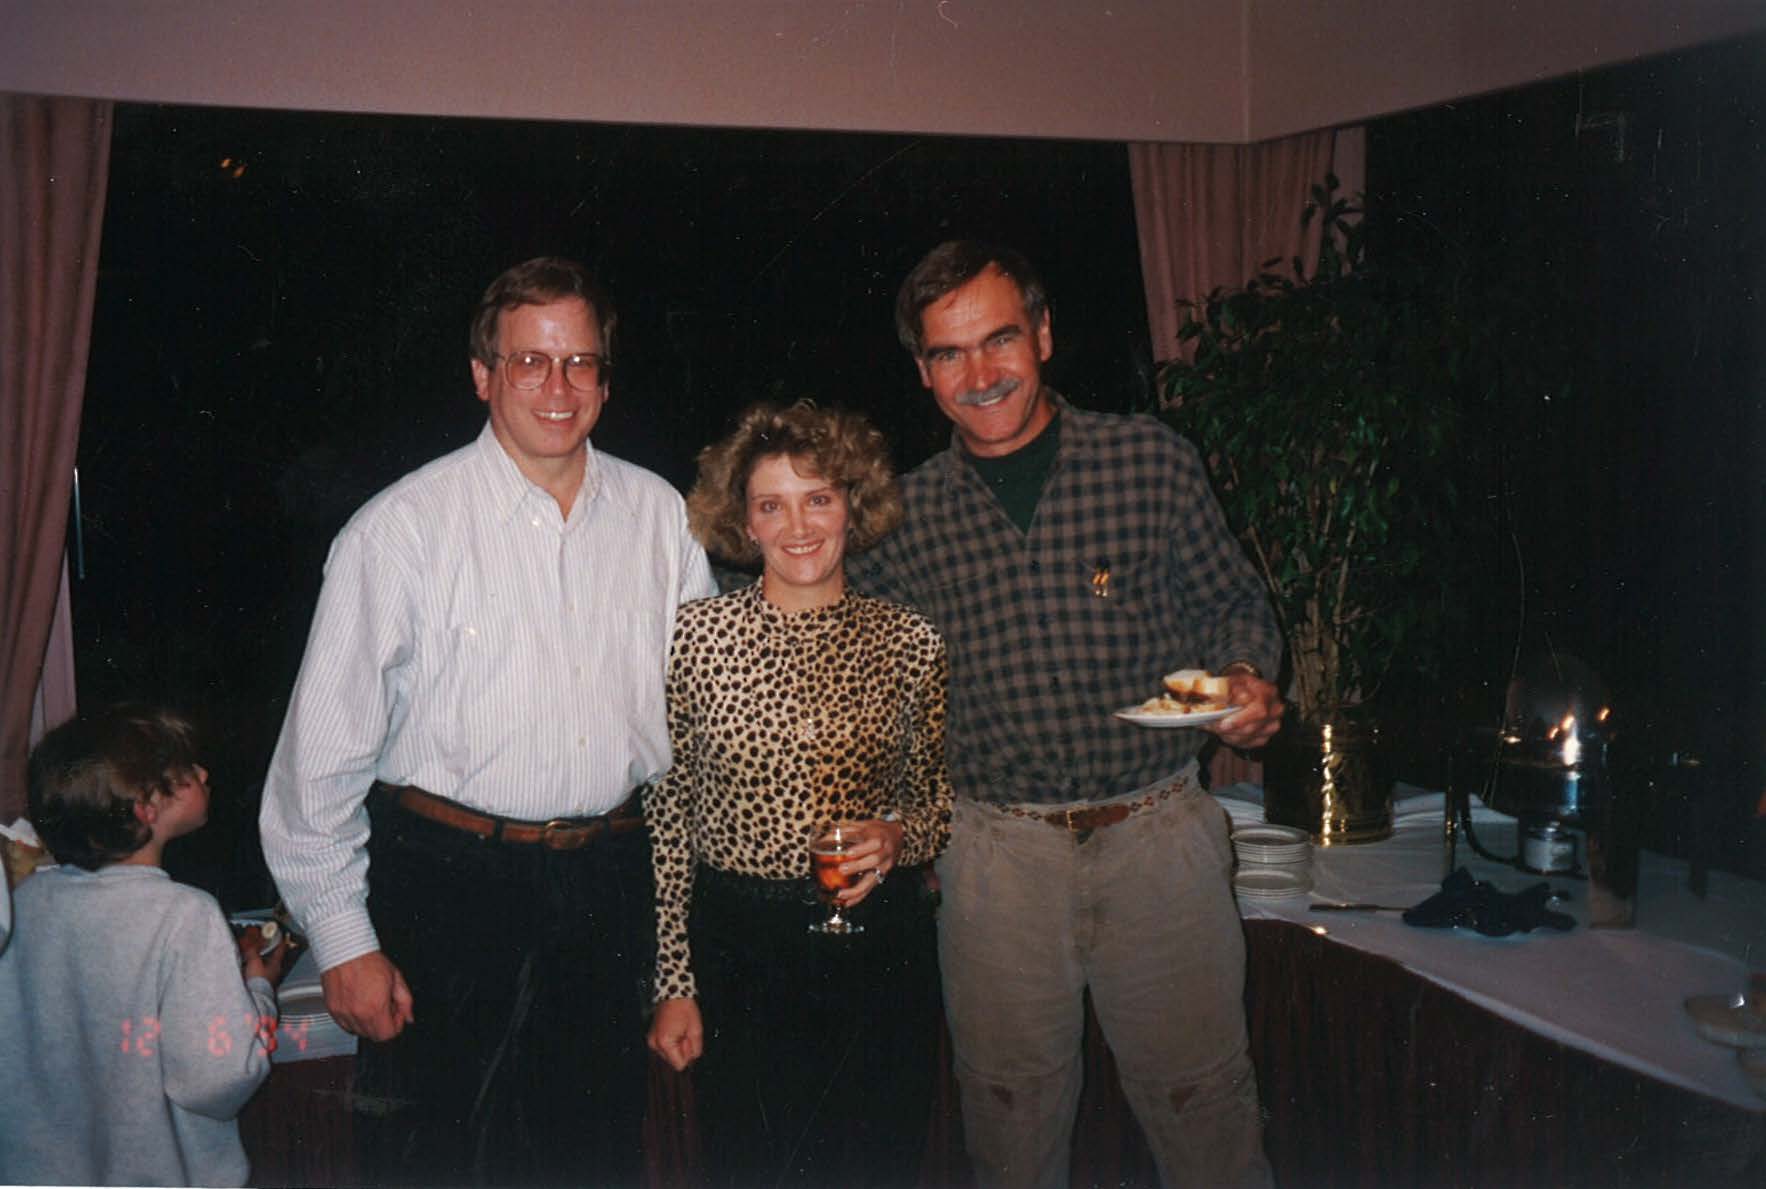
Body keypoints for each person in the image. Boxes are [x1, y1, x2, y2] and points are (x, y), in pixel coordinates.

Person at [259, 256, 716, 1187]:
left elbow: (706, 719)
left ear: (606, 379)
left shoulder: (663, 518)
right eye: (530, 361)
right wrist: (344, 940)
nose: (559, 387)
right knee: (429, 1162)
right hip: (447, 890)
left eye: (580, 362)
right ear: (483, 375)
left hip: (608, 884)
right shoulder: (399, 530)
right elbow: (320, 761)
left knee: (592, 1158)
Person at [851, 240, 1285, 1189]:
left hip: (1159, 840)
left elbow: (1231, 603)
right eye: (950, 353)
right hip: (994, 861)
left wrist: (1244, 678)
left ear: (1043, 334)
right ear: (923, 371)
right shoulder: (901, 518)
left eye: (1000, 339)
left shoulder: (1149, 460)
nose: (981, 374)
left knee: (1209, 1120)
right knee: (1010, 1133)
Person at [645, 401, 952, 1188]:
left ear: (853, 503)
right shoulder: (694, 640)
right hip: (743, 947)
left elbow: (934, 805)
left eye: (818, 497)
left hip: (879, 946)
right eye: (771, 505)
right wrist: (675, 982)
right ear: (743, 523)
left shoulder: (910, 642)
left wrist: (899, 837)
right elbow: (668, 820)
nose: (799, 525)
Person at [0, 705, 288, 1187]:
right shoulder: (185, 915)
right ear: (145, 808)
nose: (203, 773)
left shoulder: (24, 902)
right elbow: (218, 1079)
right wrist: (259, 991)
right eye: (185, 771)